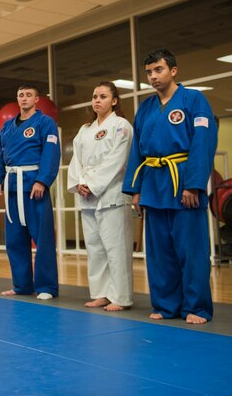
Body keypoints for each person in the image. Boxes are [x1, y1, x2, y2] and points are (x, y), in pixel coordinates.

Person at [122, 49, 218, 324]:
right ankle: (166, 305)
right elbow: (136, 152)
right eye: (149, 72)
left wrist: (194, 184)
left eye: (158, 70)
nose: (153, 77)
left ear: (173, 71)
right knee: (159, 252)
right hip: (153, 185)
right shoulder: (146, 108)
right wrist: (135, 189)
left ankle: (196, 307)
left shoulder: (194, 100)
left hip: (183, 183)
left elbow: (203, 142)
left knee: (191, 251)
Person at [67, 81, 134, 312]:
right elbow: (75, 159)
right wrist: (79, 183)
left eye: (103, 96)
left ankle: (121, 297)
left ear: (114, 101)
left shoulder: (121, 126)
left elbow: (118, 160)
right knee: (95, 248)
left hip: (112, 193)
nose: (97, 100)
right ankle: (100, 293)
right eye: (94, 96)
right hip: (88, 197)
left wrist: (92, 184)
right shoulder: (85, 130)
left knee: (116, 248)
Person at [0, 84, 61, 300]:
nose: (24, 98)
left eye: (28, 95)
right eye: (20, 95)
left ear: (37, 99)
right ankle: (21, 285)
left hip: (34, 187)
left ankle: (46, 286)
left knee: (43, 238)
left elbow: (51, 153)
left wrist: (42, 181)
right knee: (15, 240)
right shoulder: (7, 128)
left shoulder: (45, 123)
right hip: (12, 188)